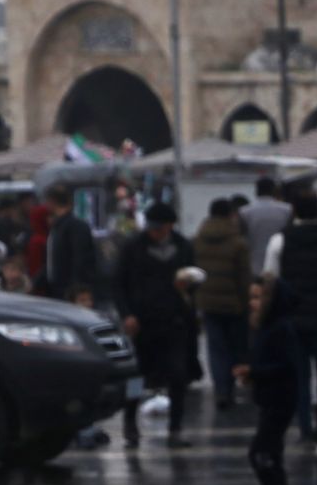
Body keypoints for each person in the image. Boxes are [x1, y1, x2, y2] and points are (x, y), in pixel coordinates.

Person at [264, 191, 317, 446]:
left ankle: (305, 430)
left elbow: (270, 280)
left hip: (292, 319)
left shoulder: (279, 241)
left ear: (294, 211)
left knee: (298, 376)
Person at [116, 203, 198, 449]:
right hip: (142, 323)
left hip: (174, 321)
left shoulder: (183, 247)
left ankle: (176, 428)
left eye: (159, 228)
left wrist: (189, 288)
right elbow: (119, 283)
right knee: (136, 376)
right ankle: (130, 422)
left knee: (178, 375)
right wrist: (127, 314)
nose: (154, 233)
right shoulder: (133, 247)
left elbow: (194, 279)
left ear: (169, 227)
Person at [235, 277, 302, 485]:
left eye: (257, 298)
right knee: (269, 453)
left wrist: (255, 371)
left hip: (280, 399)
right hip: (271, 398)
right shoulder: (267, 326)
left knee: (262, 453)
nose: (252, 304)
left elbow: (286, 366)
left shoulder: (281, 328)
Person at [195, 198, 253, 410]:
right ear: (231, 215)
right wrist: (247, 303)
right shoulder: (238, 242)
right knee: (238, 347)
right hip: (235, 304)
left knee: (216, 349)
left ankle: (222, 390)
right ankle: (236, 384)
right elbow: (244, 277)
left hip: (209, 303)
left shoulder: (198, 239)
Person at [39, 184, 97, 300]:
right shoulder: (57, 227)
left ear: (52, 202)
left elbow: (81, 260)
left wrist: (75, 290)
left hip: (70, 293)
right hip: (57, 291)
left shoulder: (74, 226)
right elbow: (52, 262)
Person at [240, 176, 292, 274]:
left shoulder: (244, 212)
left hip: (253, 266)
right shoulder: (287, 210)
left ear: (257, 191)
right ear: (274, 191)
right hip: (281, 265)